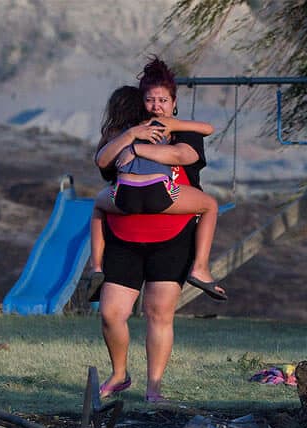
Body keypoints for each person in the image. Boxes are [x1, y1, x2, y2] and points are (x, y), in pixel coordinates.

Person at [94, 57, 226, 404]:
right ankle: (120, 374)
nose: (156, 106)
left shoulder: (184, 131)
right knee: (110, 313)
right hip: (125, 236)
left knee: (158, 313)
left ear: (174, 103)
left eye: (163, 100)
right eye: (151, 100)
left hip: (172, 236)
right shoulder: (127, 129)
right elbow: (106, 165)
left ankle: (154, 389)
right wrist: (131, 135)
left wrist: (139, 148)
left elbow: (184, 156)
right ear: (142, 101)